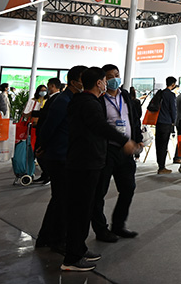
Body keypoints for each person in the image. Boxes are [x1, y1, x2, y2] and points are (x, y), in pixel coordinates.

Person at [62, 66, 140, 272]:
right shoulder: (89, 103)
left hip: (88, 160)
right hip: (85, 162)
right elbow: (100, 126)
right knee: (81, 209)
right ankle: (72, 258)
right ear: (99, 83)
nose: (109, 83)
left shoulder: (84, 101)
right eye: (106, 79)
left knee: (84, 207)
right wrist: (124, 141)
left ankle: (78, 249)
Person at [36, 66, 86, 252]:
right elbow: (49, 127)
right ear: (73, 82)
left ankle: (45, 237)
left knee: (59, 199)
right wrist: (42, 147)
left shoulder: (74, 99)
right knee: (63, 200)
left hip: (66, 155)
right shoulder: (63, 101)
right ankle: (57, 240)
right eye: (83, 80)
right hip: (59, 156)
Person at [91, 64, 143, 243]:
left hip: (126, 150)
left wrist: (138, 138)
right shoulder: (99, 99)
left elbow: (134, 119)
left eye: (117, 74)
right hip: (107, 150)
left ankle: (119, 225)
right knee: (100, 192)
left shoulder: (125, 96)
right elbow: (99, 126)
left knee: (128, 188)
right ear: (103, 80)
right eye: (110, 76)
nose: (115, 79)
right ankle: (101, 229)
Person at [155, 77, 178, 174]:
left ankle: (160, 164)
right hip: (166, 123)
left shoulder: (161, 93)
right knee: (164, 145)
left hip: (158, 122)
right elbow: (173, 109)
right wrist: (174, 121)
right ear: (173, 84)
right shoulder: (171, 95)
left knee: (158, 145)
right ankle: (162, 167)